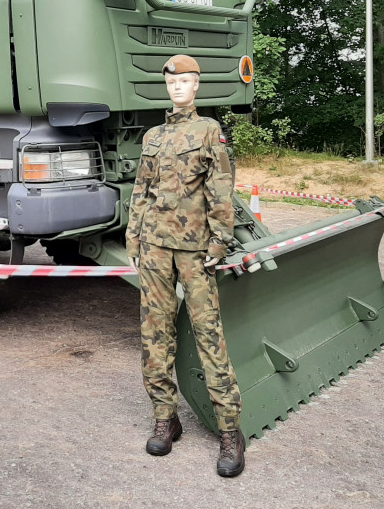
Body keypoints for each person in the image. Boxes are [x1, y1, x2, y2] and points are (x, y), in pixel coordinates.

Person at [125, 53, 245, 477]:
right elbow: (142, 188)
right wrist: (133, 233)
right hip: (155, 247)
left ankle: (230, 430)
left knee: (208, 333)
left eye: (186, 82)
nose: (178, 87)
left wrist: (221, 239)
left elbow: (221, 188)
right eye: (172, 82)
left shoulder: (209, 131)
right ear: (167, 86)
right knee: (154, 332)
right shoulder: (153, 136)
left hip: (195, 251)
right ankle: (165, 416)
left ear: (197, 86)